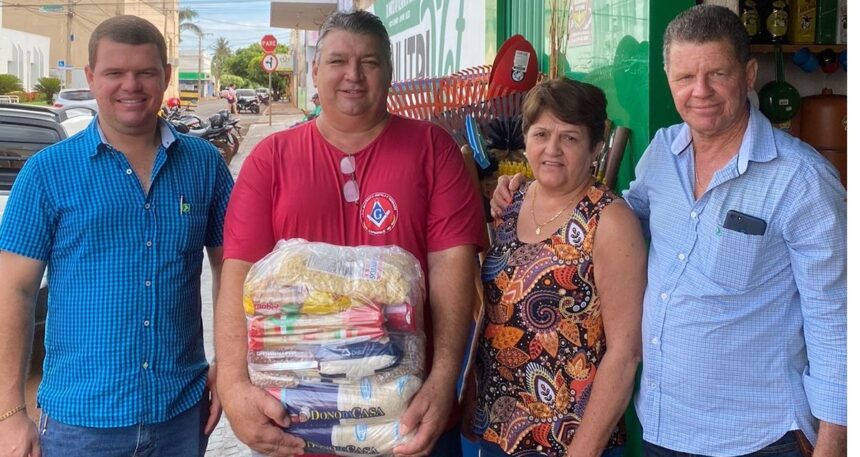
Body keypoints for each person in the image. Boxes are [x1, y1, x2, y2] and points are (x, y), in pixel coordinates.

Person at [491, 5, 847, 457]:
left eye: (717, 73)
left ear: (749, 73)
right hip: (665, 427)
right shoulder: (663, 153)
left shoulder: (800, 179)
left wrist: (834, 444)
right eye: (684, 77)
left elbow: (836, 321)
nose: (700, 91)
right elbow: (609, 220)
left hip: (759, 437)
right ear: (667, 77)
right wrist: (530, 192)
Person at [215, 9, 486, 457]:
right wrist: (234, 387)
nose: (353, 76)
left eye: (370, 62)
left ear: (390, 73)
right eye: (338, 61)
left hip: (410, 413)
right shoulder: (271, 159)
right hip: (298, 417)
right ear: (316, 71)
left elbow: (451, 271)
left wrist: (443, 379)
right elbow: (238, 275)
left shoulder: (433, 150)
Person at [0, 15, 233, 456]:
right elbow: (12, 291)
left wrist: (229, 363)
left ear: (165, 77)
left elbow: (233, 267)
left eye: (146, 72)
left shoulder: (205, 166)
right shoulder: (46, 174)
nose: (131, 85)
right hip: (80, 425)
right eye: (114, 73)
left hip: (181, 417)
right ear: (91, 77)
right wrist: (9, 413)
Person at [468, 78, 645, 457]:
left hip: (573, 439)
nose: (552, 150)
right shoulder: (512, 200)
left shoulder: (609, 221)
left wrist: (584, 449)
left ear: (596, 147)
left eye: (570, 138)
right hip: (500, 431)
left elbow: (626, 352)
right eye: (541, 134)